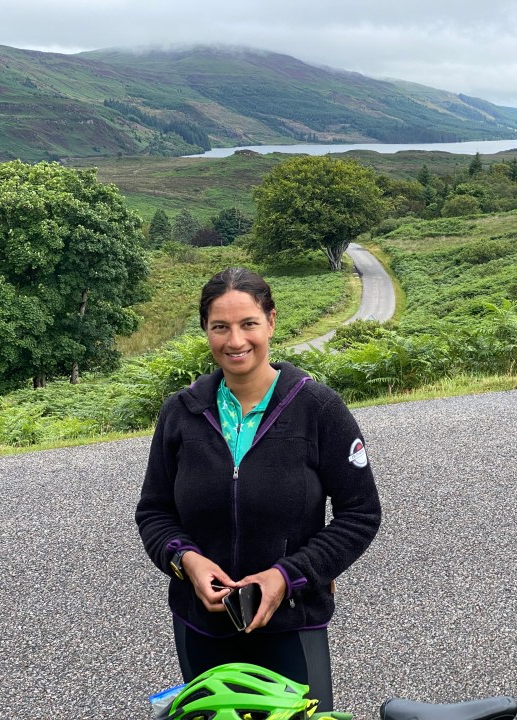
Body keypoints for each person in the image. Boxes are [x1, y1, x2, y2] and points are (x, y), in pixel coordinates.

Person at [136, 267, 381, 711]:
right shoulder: (179, 413)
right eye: (220, 327)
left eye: (248, 323)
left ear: (271, 321)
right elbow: (154, 512)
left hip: (292, 623)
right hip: (201, 625)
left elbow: (360, 514)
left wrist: (285, 577)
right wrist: (185, 561)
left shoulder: (318, 408)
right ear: (205, 331)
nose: (235, 341)